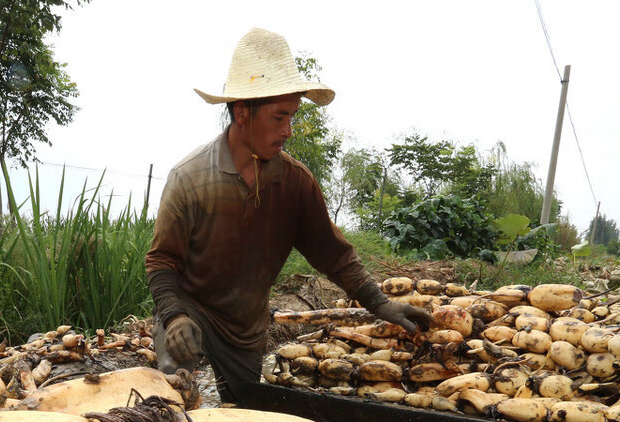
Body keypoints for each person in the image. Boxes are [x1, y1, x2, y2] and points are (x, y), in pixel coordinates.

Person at [145, 27, 431, 403]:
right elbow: (161, 260)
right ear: (242, 112)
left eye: (292, 117)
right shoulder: (192, 178)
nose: (289, 130)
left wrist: (380, 303)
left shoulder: (295, 183)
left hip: (245, 328)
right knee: (172, 391)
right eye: (280, 118)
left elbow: (335, 255)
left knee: (244, 415)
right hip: (190, 312)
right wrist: (174, 316)